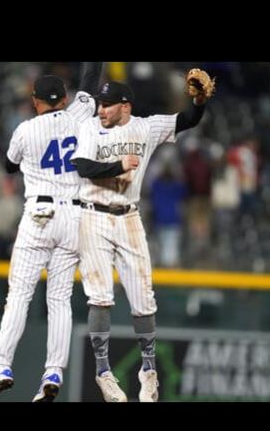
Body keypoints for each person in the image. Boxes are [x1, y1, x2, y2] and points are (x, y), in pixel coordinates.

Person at [70, 70, 214, 402]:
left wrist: (200, 101)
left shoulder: (145, 128)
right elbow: (83, 166)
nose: (101, 109)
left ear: (125, 106)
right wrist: (119, 166)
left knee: (144, 299)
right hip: (93, 214)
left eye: (107, 105)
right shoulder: (90, 127)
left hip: (129, 216)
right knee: (100, 296)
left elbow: (188, 120)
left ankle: (148, 371)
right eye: (100, 104)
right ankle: (103, 371)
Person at [0, 62, 104, 402]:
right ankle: (53, 372)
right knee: (60, 299)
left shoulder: (25, 130)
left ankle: (1, 368)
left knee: (19, 295)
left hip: (40, 215)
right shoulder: (80, 115)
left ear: (36, 102)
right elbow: (91, 80)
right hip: (75, 217)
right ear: (64, 99)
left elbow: (8, 165)